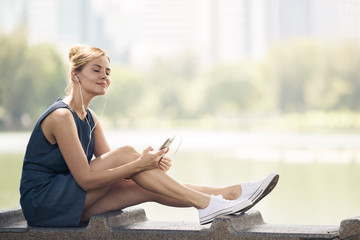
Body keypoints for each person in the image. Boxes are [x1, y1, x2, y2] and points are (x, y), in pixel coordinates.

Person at [19, 45, 279, 227]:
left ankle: (229, 194)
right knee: (128, 154)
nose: (104, 77)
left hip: (68, 204)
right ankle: (208, 203)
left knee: (144, 186)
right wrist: (138, 163)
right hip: (43, 203)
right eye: (96, 70)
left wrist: (150, 165)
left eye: (108, 72)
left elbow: (120, 170)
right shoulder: (62, 117)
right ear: (76, 75)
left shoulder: (90, 118)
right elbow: (87, 179)